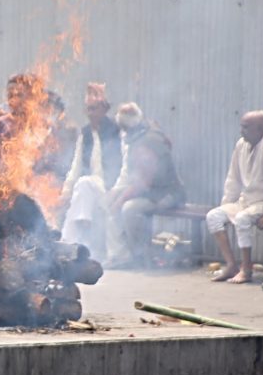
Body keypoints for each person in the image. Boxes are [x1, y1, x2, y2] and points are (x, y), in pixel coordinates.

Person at [205, 110, 263, 283]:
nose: (241, 130)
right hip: (246, 201)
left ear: (260, 129)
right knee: (214, 216)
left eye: (246, 127)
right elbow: (232, 178)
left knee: (242, 219)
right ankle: (231, 265)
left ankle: (246, 269)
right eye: (242, 126)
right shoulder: (241, 144)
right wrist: (226, 205)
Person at [105, 102, 186, 269]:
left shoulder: (147, 141)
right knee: (110, 199)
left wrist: (120, 201)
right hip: (150, 191)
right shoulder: (141, 134)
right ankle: (119, 254)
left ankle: (140, 257)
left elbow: (143, 183)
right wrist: (115, 194)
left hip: (166, 194)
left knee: (129, 208)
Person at [59, 82, 123, 261]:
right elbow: (76, 164)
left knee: (84, 185)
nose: (90, 113)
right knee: (82, 185)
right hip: (94, 187)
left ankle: (71, 243)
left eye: (94, 109)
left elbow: (126, 164)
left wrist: (116, 189)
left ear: (104, 109)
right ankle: (69, 245)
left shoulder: (116, 131)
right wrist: (65, 192)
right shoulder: (85, 133)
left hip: (113, 186)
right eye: (88, 109)